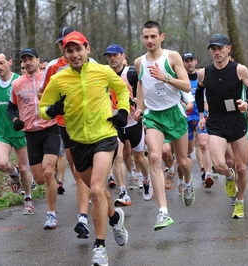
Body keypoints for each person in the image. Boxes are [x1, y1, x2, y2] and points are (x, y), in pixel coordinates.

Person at [39, 31, 129, 265]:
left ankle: (99, 247)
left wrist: (123, 111)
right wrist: (51, 110)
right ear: (64, 53)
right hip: (77, 141)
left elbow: (121, 90)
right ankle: (114, 217)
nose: (74, 54)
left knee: (97, 189)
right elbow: (43, 106)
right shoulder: (59, 79)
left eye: (78, 49)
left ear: (87, 49)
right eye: (69, 51)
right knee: (98, 191)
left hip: (104, 136)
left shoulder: (102, 70)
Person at [133, 20, 195, 231]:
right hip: (153, 116)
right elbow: (141, 84)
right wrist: (140, 107)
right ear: (142, 38)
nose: (149, 40)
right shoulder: (139, 62)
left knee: (183, 163)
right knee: (155, 157)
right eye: (145, 37)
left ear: (162, 37)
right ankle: (163, 212)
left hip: (174, 112)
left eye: (153, 36)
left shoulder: (172, 57)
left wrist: (166, 78)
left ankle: (187, 183)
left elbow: (186, 85)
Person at [195, 33, 248, 219]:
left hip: (236, 120)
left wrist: (247, 104)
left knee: (242, 167)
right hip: (216, 121)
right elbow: (199, 94)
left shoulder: (239, 70)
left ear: (228, 49)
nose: (217, 52)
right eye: (213, 49)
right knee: (218, 164)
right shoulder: (205, 73)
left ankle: (239, 201)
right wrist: (201, 114)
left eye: (220, 48)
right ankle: (229, 176)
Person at [39, 26, 93, 238]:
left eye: (70, 44)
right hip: (62, 125)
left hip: (87, 125)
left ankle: (82, 218)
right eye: (62, 44)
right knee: (65, 171)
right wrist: (53, 107)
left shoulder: (92, 65)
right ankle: (58, 211)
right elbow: (44, 94)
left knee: (80, 174)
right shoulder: (53, 67)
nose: (66, 47)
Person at [7, 47, 60, 229]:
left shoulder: (50, 79)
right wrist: (15, 120)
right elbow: (11, 108)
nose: (27, 63)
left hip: (51, 129)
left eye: (31, 59)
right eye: (24, 60)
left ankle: (51, 214)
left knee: (47, 172)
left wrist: (57, 109)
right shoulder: (17, 84)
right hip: (31, 133)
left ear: (38, 60)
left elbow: (62, 99)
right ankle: (50, 176)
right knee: (39, 178)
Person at [0, 51, 34, 215]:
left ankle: (28, 198)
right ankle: (14, 174)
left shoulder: (18, 81)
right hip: (2, 132)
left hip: (19, 131)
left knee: (24, 169)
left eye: (1, 63)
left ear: (10, 62)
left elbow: (28, 104)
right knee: (1, 164)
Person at [103, 43, 153, 204]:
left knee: (139, 157)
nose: (112, 59)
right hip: (115, 121)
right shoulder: (105, 75)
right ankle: (123, 192)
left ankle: (146, 178)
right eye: (109, 56)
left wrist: (137, 105)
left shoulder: (130, 73)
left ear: (123, 56)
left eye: (115, 55)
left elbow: (143, 92)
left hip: (134, 121)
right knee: (117, 156)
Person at [182, 52, 213, 187]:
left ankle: (207, 173)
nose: (189, 63)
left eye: (191, 61)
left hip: (201, 115)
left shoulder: (203, 77)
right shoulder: (181, 80)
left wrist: (208, 110)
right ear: (183, 63)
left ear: (195, 62)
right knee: (189, 150)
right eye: (186, 61)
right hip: (186, 117)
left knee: (204, 145)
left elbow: (209, 95)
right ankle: (188, 168)